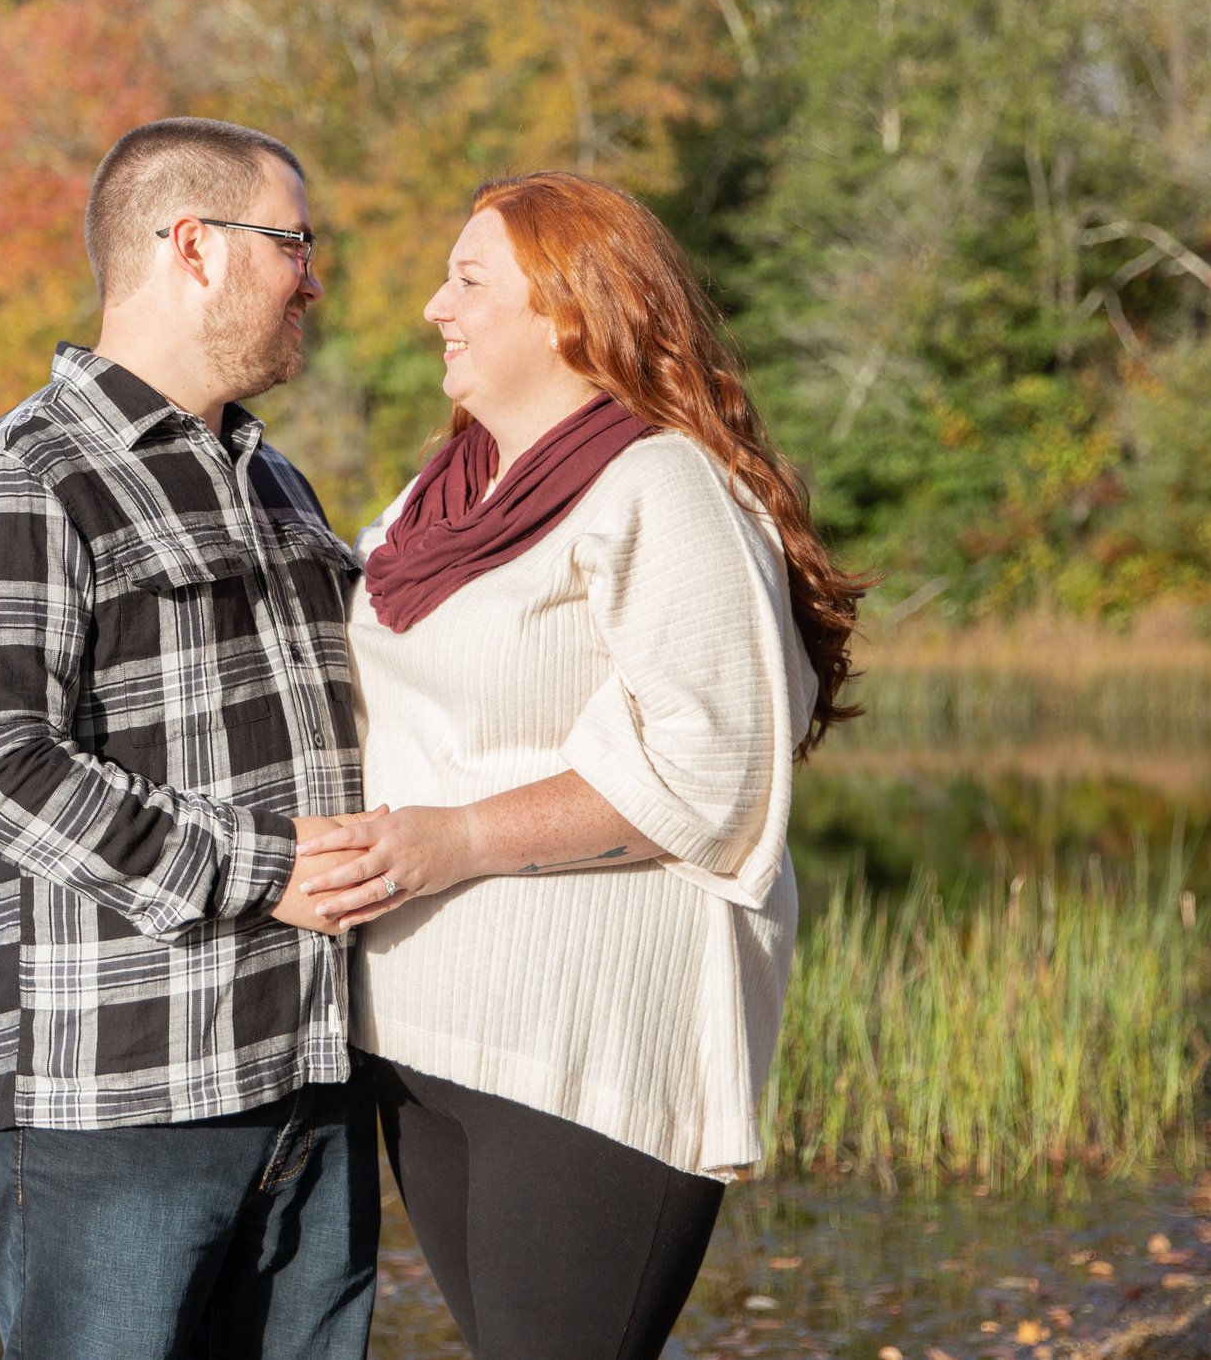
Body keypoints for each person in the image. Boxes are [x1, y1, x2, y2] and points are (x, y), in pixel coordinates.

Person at [297, 172, 866, 1360]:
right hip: (424, 1026)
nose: (430, 307)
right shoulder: (433, 497)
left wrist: (446, 837)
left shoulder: (659, 483)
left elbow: (712, 769)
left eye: (467, 279)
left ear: (570, 307)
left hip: (589, 1037)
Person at [0, 117, 379, 1360]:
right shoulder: (25, 477)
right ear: (195, 247)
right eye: (293, 242)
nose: (312, 276)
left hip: (314, 1080)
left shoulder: (273, 477)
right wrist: (268, 866)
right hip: (126, 1107)